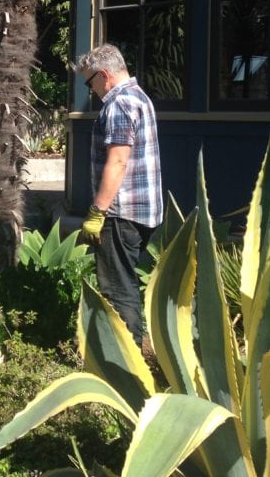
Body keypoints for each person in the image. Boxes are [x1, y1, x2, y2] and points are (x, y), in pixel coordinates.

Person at [73, 44, 163, 347]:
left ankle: (126, 364)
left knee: (117, 289)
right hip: (143, 211)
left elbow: (118, 161)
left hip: (121, 213)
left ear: (103, 75)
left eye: (90, 82)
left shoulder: (119, 104)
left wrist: (98, 212)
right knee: (126, 281)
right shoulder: (139, 97)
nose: (91, 89)